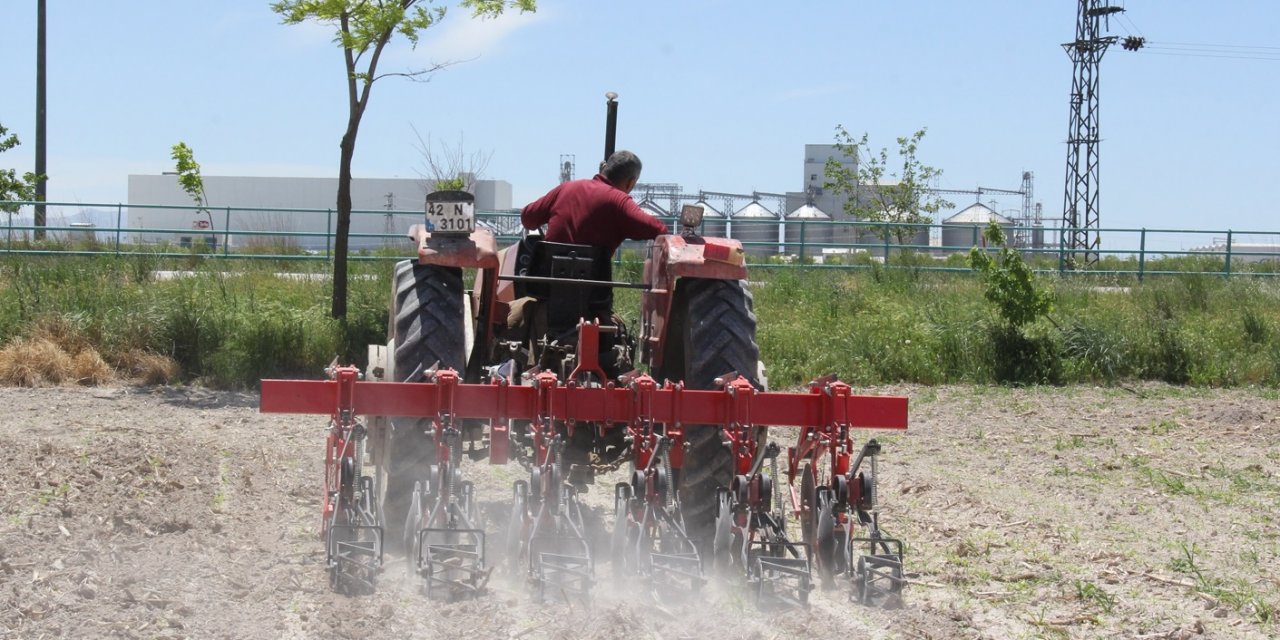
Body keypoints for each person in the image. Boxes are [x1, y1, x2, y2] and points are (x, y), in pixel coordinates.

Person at [521, 150, 668, 251]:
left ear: (604, 168)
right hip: (594, 292)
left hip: (546, 286)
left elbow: (527, 218)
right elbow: (659, 229)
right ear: (630, 182)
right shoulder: (619, 202)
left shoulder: (565, 188)